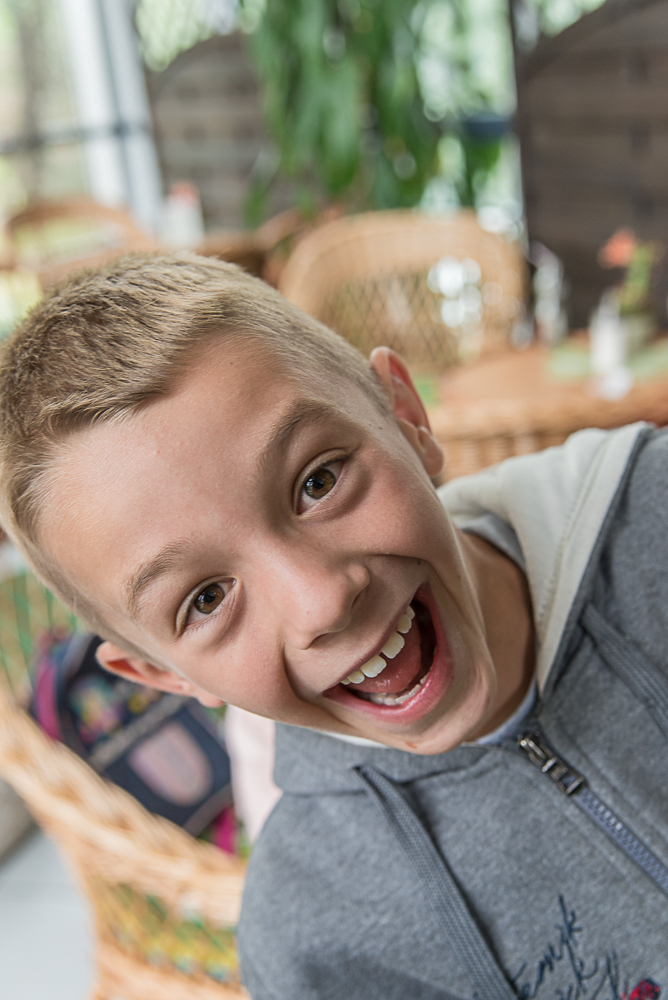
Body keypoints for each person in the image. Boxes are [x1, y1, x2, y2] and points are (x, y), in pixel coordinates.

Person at [0, 252, 666, 1000]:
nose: (322, 601)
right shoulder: (311, 938)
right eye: (207, 599)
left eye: (318, 482)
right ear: (165, 675)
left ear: (405, 415)